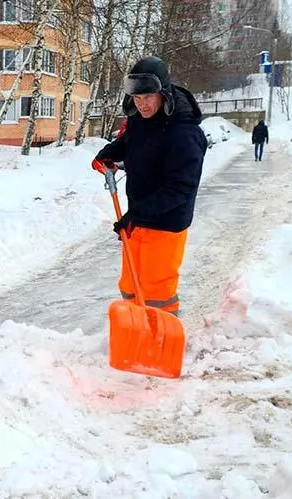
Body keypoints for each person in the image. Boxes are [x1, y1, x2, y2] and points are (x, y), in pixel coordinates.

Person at [92, 57, 208, 317]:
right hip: (139, 217)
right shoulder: (140, 119)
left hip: (166, 223)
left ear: (163, 94)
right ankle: (135, 332)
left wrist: (135, 216)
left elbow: (180, 188)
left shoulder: (184, 133)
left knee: (157, 292)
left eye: (148, 97)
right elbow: (129, 142)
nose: (142, 104)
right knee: (130, 284)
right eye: (137, 98)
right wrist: (107, 154)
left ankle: (160, 341)